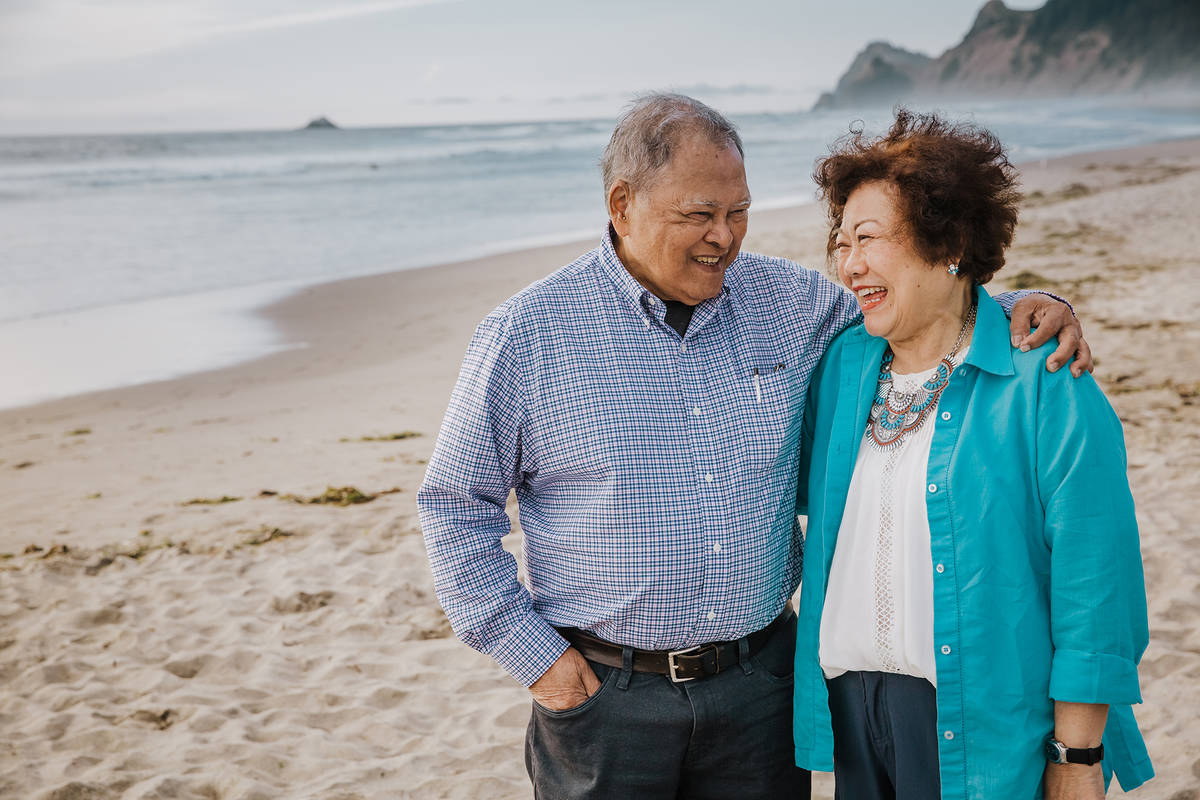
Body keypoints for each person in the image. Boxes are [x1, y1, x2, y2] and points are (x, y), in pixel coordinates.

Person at [417, 94, 1086, 800]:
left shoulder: (792, 302)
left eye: (739, 212)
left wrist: (1020, 304)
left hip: (761, 688)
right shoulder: (527, 333)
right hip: (605, 698)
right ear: (622, 204)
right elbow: (454, 509)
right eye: (700, 215)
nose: (725, 237)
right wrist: (537, 660)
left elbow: (917, 306)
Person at [791, 110, 1153, 800]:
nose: (849, 264)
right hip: (851, 719)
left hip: (984, 725)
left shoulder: (1046, 383)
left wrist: (1077, 759)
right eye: (841, 243)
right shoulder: (842, 366)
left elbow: (1094, 582)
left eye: (868, 238)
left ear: (948, 240)